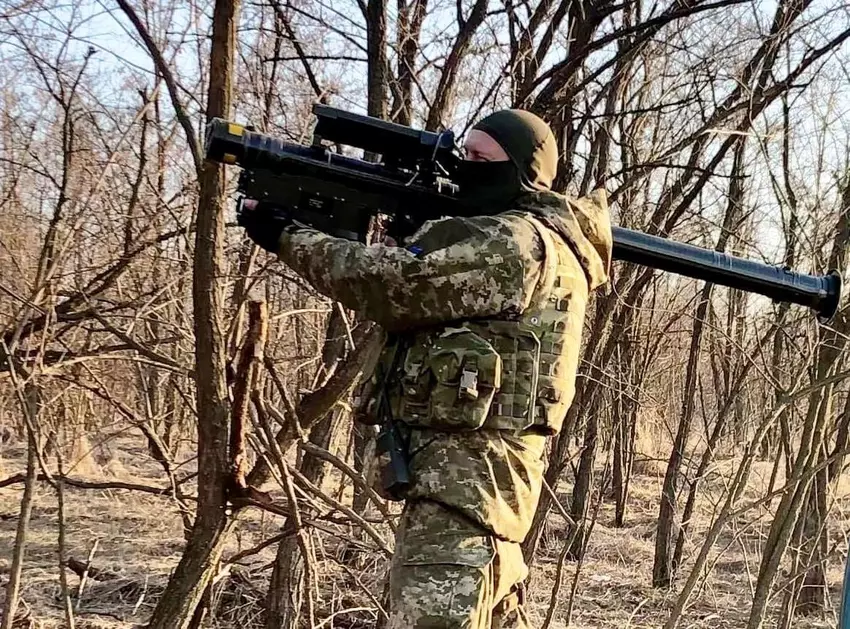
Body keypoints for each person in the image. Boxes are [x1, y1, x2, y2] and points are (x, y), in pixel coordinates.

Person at [239, 109, 612, 628]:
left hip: (466, 500)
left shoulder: (518, 240)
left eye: (481, 159)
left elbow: (393, 286)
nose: (465, 168)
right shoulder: (509, 235)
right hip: (470, 496)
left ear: (525, 173)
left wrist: (286, 235)